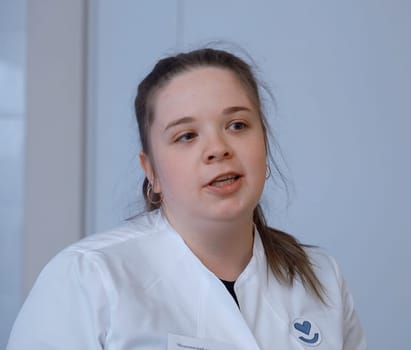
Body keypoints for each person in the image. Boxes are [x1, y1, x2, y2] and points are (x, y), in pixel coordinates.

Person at [7, 48, 366, 349]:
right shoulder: (88, 277)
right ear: (152, 172)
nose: (217, 149)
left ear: (264, 145)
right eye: (186, 136)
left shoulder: (321, 277)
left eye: (237, 125)